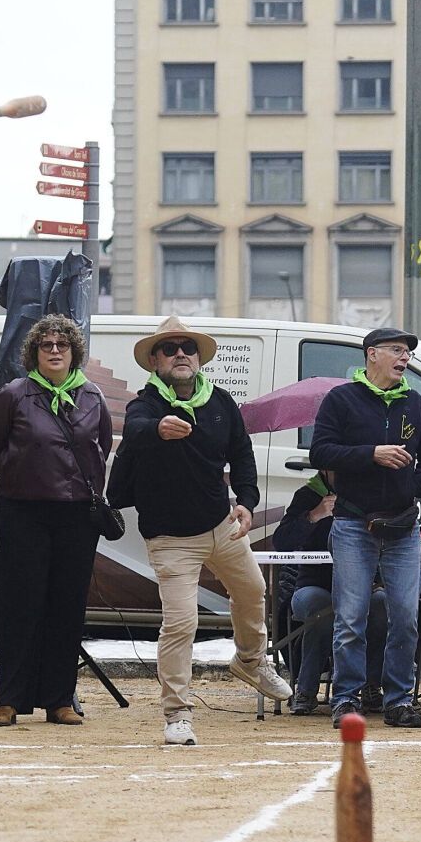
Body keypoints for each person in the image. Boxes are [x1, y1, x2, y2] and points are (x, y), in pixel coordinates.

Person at [107, 317, 291, 745]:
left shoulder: (220, 402)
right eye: (169, 348)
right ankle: (177, 714)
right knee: (181, 624)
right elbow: (133, 429)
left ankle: (250, 661)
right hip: (171, 539)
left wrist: (246, 503)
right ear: (155, 361)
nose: (180, 354)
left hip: (220, 525)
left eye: (187, 347)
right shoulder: (147, 404)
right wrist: (158, 429)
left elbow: (242, 456)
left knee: (252, 591)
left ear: (198, 357)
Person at [309, 326, 421, 728]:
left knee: (406, 617)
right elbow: (320, 452)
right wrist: (372, 454)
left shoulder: (414, 403)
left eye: (407, 353)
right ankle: (346, 699)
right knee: (351, 617)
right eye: (397, 350)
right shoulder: (341, 399)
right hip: (353, 524)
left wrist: (414, 487)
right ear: (372, 354)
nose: (405, 359)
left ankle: (399, 700)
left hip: (403, 527)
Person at [0, 314, 114, 727]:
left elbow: (101, 446)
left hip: (76, 514)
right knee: (20, 603)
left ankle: (59, 699)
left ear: (74, 352)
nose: (55, 350)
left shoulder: (92, 396)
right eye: (46, 345)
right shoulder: (13, 394)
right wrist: (22, 473)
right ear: (34, 353)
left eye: (62, 344)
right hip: (22, 510)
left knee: (67, 605)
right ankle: (8, 699)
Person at [271, 476, 388, 715]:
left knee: (381, 603)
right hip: (313, 585)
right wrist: (314, 515)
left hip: (362, 587)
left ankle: (371, 684)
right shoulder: (308, 495)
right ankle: (306, 689)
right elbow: (281, 541)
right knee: (322, 608)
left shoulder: (368, 496)